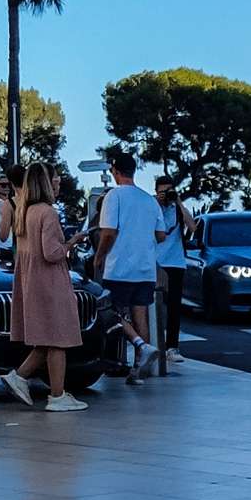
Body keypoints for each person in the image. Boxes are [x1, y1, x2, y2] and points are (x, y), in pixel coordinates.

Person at [0, 162, 85, 411]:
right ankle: (56, 396)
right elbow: (51, 252)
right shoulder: (47, 212)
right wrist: (71, 243)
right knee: (58, 337)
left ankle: (21, 377)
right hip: (50, 280)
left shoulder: (23, 211)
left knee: (46, 337)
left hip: (30, 279)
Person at [93, 150, 169, 378]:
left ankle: (138, 346)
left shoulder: (113, 197)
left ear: (115, 172)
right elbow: (161, 235)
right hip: (145, 268)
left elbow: (108, 233)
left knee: (112, 312)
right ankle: (141, 366)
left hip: (119, 266)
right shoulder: (149, 200)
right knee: (140, 314)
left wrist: (99, 257)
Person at [153, 181, 188, 366]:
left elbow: (193, 227)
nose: (166, 195)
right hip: (156, 262)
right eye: (162, 192)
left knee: (174, 307)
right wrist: (157, 203)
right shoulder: (152, 207)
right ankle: (153, 344)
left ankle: (172, 347)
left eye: (169, 191)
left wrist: (180, 203)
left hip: (175, 262)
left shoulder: (178, 210)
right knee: (153, 305)